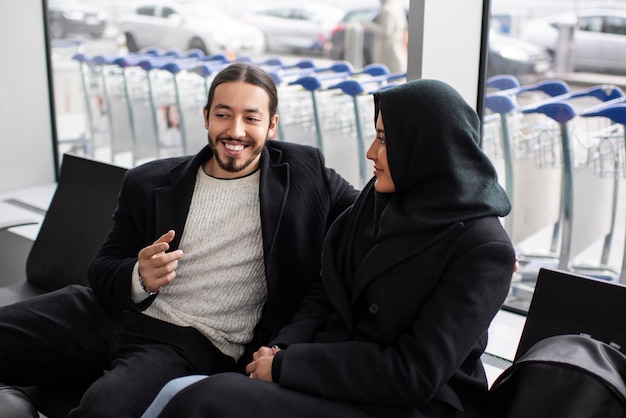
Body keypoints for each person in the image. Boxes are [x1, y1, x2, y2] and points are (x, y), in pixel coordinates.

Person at [0, 62, 359, 417]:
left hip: (188, 340)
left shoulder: (304, 172)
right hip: (105, 313)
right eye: (223, 115)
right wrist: (139, 276)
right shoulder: (149, 181)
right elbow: (102, 270)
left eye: (251, 118)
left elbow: (368, 210)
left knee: (105, 409)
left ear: (272, 125)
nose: (235, 131)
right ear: (205, 117)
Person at [142, 78, 517, 418]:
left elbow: (414, 375)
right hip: (337, 376)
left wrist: (290, 366)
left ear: (426, 148)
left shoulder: (483, 248)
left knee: (207, 400)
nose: (371, 152)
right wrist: (281, 349)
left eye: (385, 140)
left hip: (410, 404)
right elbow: (326, 291)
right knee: (178, 391)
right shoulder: (378, 200)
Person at [363, 0, 408, 73]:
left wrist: (369, 26)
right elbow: (405, 26)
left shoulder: (387, 9)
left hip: (388, 45)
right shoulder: (397, 6)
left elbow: (386, 31)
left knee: (390, 70)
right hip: (397, 42)